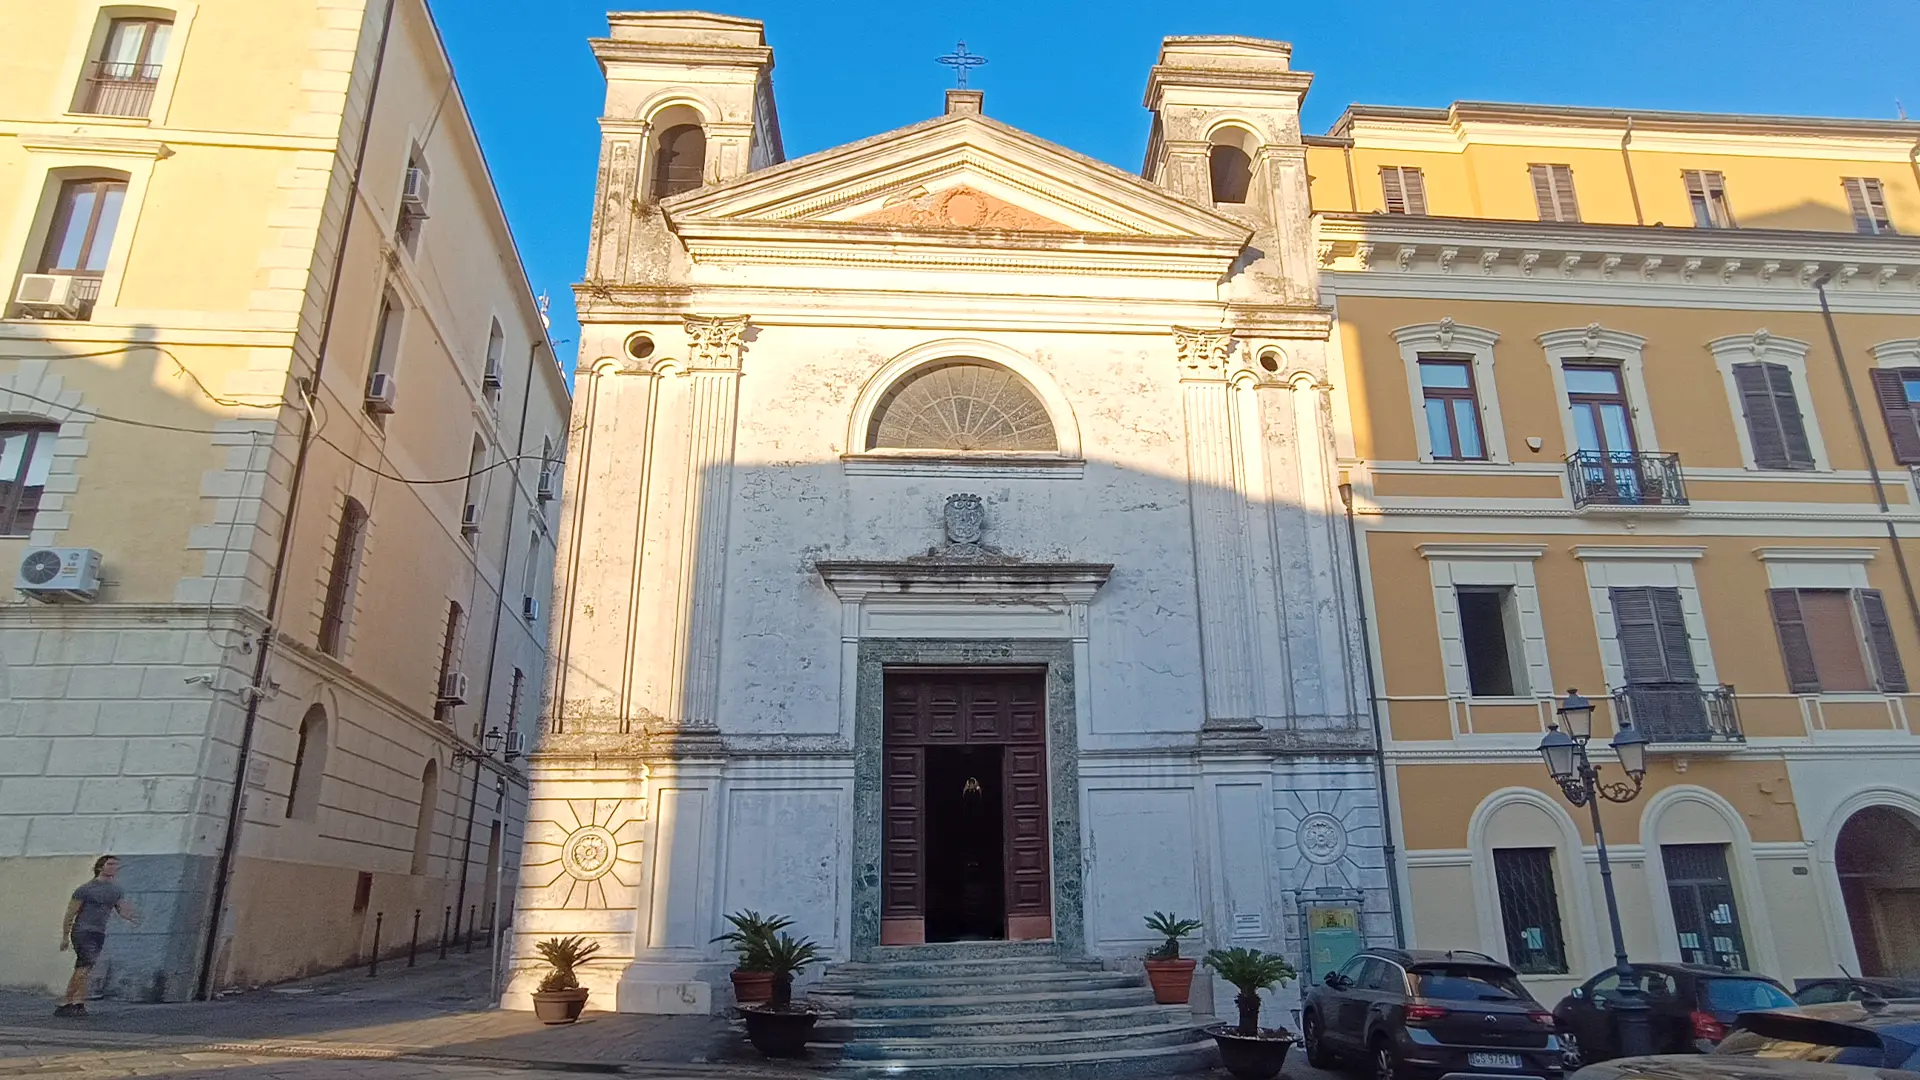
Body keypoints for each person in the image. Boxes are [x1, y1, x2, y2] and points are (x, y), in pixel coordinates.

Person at [57, 855, 139, 1017]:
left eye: (116, 865)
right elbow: (71, 913)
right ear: (100, 866)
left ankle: (66, 1003)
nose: (114, 867)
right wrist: (65, 936)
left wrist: (132, 916)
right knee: (85, 966)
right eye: (110, 864)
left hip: (98, 932)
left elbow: (121, 909)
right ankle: (78, 1002)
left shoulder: (116, 890)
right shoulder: (86, 889)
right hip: (82, 931)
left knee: (83, 967)